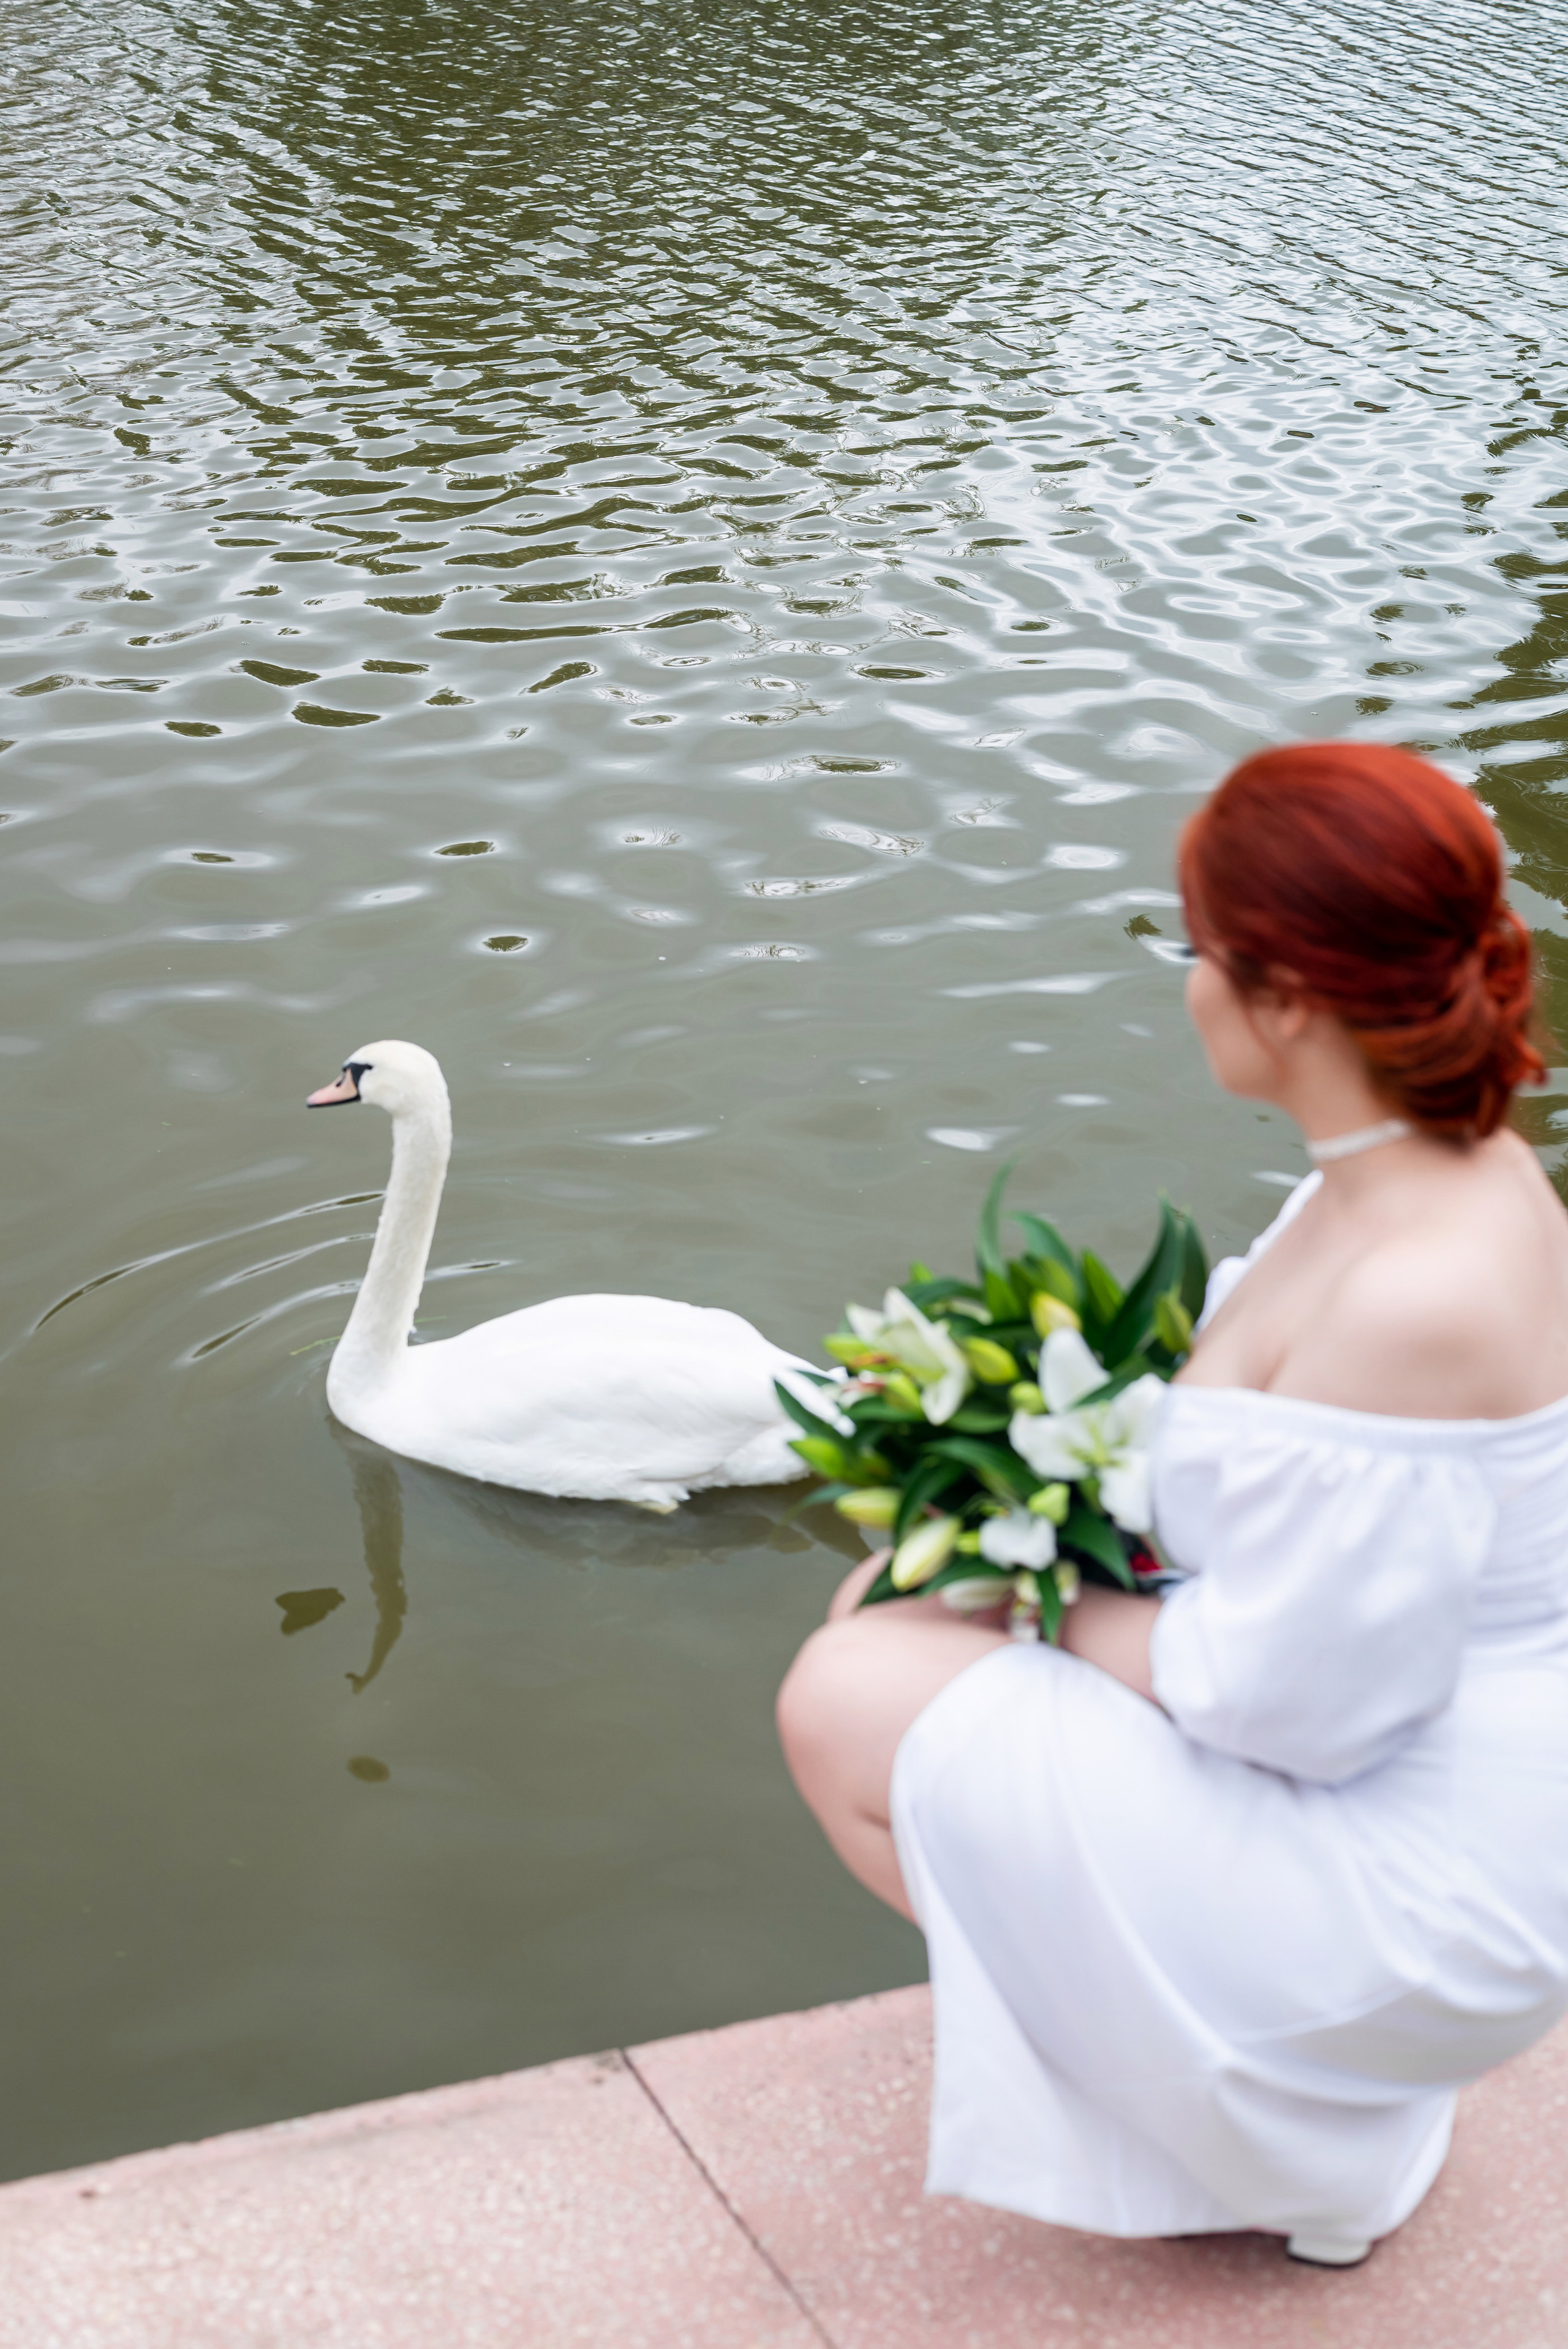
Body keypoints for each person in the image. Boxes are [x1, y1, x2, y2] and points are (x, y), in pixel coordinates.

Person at [776, 740, 1568, 2268]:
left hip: (1427, 1888)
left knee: (847, 1696)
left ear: (1284, 998)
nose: (1187, 985)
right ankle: (1244, 2094)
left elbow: (1301, 1710)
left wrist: (1044, 1599)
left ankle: (1298, 2137)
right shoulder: (1412, 1174)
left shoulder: (1416, 1291)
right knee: (886, 1619)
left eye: (1199, 952)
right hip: (1434, 1757)